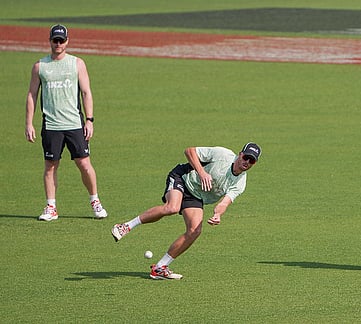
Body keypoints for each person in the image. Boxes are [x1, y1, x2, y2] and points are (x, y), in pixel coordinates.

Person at [111, 143, 261, 280]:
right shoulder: (222, 155)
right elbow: (189, 151)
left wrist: (217, 214)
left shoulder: (240, 182)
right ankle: (125, 226)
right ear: (240, 154)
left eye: (251, 161)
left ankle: (160, 268)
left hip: (196, 195)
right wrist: (201, 173)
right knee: (172, 207)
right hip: (182, 178)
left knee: (195, 230)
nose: (246, 162)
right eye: (246, 157)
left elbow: (225, 202)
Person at [25, 24, 108, 221]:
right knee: (51, 165)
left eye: (62, 40)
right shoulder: (40, 66)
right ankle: (51, 207)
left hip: (74, 123)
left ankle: (95, 201)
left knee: (84, 164)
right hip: (51, 125)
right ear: (50, 41)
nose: (58, 44)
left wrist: (89, 120)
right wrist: (28, 123)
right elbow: (32, 95)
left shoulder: (77, 64)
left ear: (67, 41)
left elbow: (86, 92)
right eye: (55, 40)